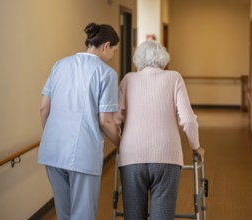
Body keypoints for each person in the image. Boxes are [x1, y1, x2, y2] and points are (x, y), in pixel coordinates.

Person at [114, 40, 205, 220]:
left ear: (138, 59)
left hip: (131, 156)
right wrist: (195, 146)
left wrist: (122, 143)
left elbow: (115, 119)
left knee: (132, 216)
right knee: (162, 216)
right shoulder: (174, 77)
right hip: (167, 156)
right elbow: (187, 120)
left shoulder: (128, 79)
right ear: (163, 58)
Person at [38, 22, 120, 220]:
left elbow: (44, 107)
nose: (113, 56)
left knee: (63, 213)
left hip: (53, 150)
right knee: (82, 214)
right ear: (106, 46)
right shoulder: (106, 73)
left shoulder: (59, 64)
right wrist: (122, 144)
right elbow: (106, 121)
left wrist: (51, 135)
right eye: (115, 51)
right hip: (82, 153)